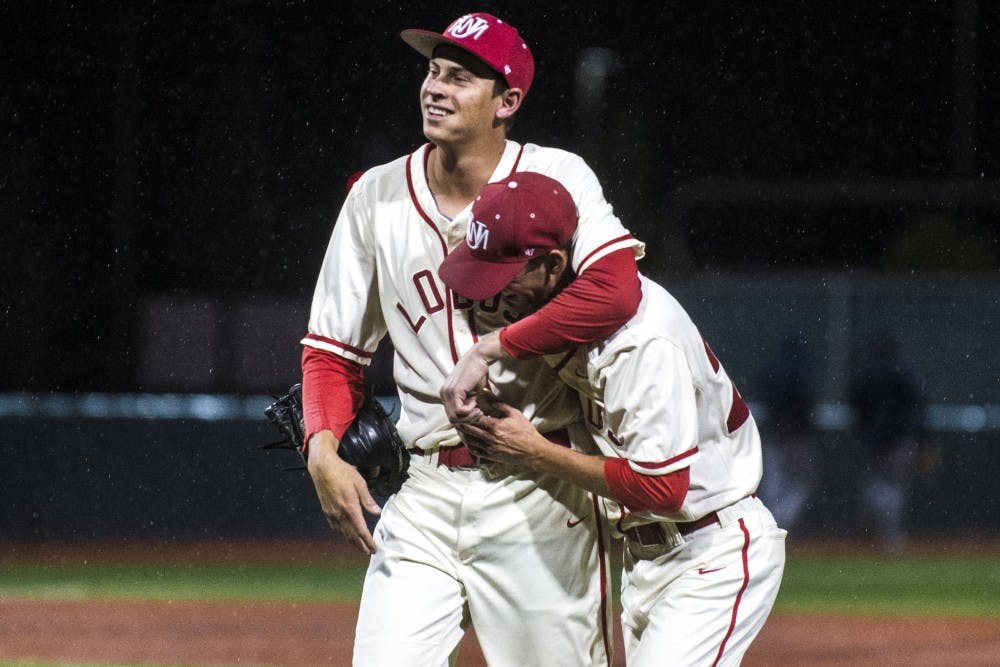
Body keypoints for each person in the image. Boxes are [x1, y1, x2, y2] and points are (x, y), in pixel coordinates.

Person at [300, 12, 644, 666]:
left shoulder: (558, 178)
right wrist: (321, 448)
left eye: (460, 77)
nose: (435, 87)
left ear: (507, 101)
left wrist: (497, 346)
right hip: (423, 489)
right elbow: (330, 353)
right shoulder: (374, 197)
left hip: (541, 484)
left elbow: (617, 288)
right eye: (432, 72)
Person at [439, 172, 786, 667]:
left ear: (554, 263)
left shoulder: (640, 345)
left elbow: (663, 489)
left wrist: (533, 449)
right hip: (648, 561)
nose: (491, 295)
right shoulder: (570, 309)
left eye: (503, 276)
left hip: (711, 550)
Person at [849, 331, 923, 549]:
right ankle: (887, 533)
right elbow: (915, 405)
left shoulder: (867, 374)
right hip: (895, 438)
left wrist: (865, 428)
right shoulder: (899, 373)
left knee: (876, 484)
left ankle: (874, 528)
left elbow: (855, 404)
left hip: (875, 438)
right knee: (892, 486)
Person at [755, 332, 820, 532]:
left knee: (774, 486)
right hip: (794, 435)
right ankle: (778, 525)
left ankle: (773, 527)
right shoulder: (798, 374)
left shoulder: (773, 371)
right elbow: (805, 405)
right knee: (797, 483)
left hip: (777, 435)